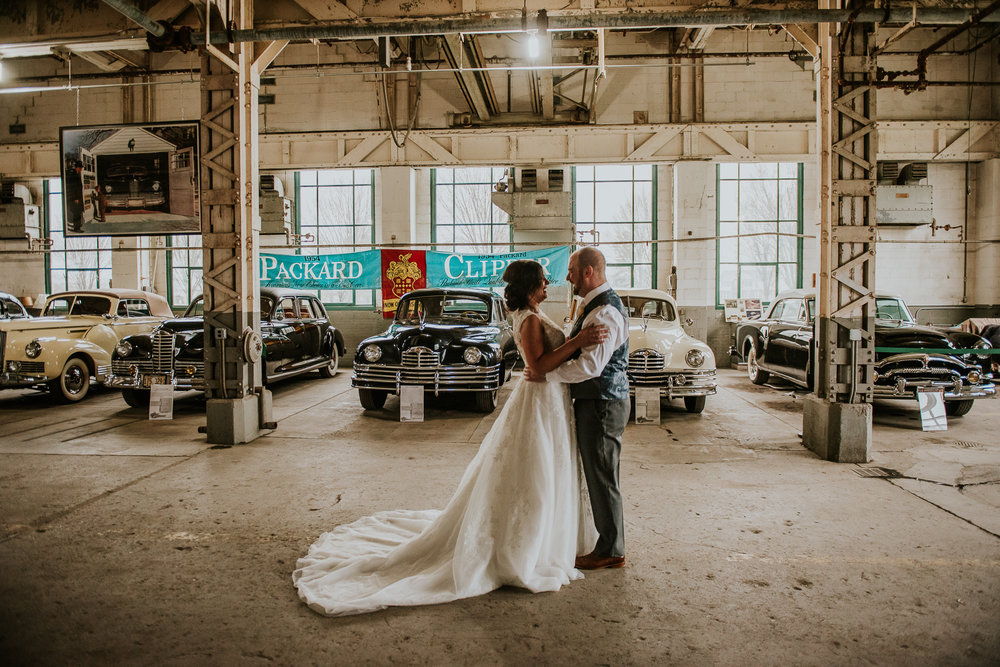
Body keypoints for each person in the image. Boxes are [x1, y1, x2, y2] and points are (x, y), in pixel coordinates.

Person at [292, 260, 606, 617]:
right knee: (534, 471)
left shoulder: (529, 313)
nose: (549, 284)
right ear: (531, 285)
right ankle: (524, 547)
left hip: (547, 400)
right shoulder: (530, 319)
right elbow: (537, 366)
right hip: (540, 399)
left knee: (540, 468)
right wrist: (579, 340)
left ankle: (545, 535)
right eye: (543, 280)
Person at [526, 247, 630, 570]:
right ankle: (609, 542)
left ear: (588, 272)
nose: (567, 276)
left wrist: (549, 374)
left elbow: (592, 367)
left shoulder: (605, 312)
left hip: (602, 403)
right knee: (599, 473)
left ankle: (611, 549)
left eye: (572, 270)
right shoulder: (594, 306)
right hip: (595, 401)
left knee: (602, 475)